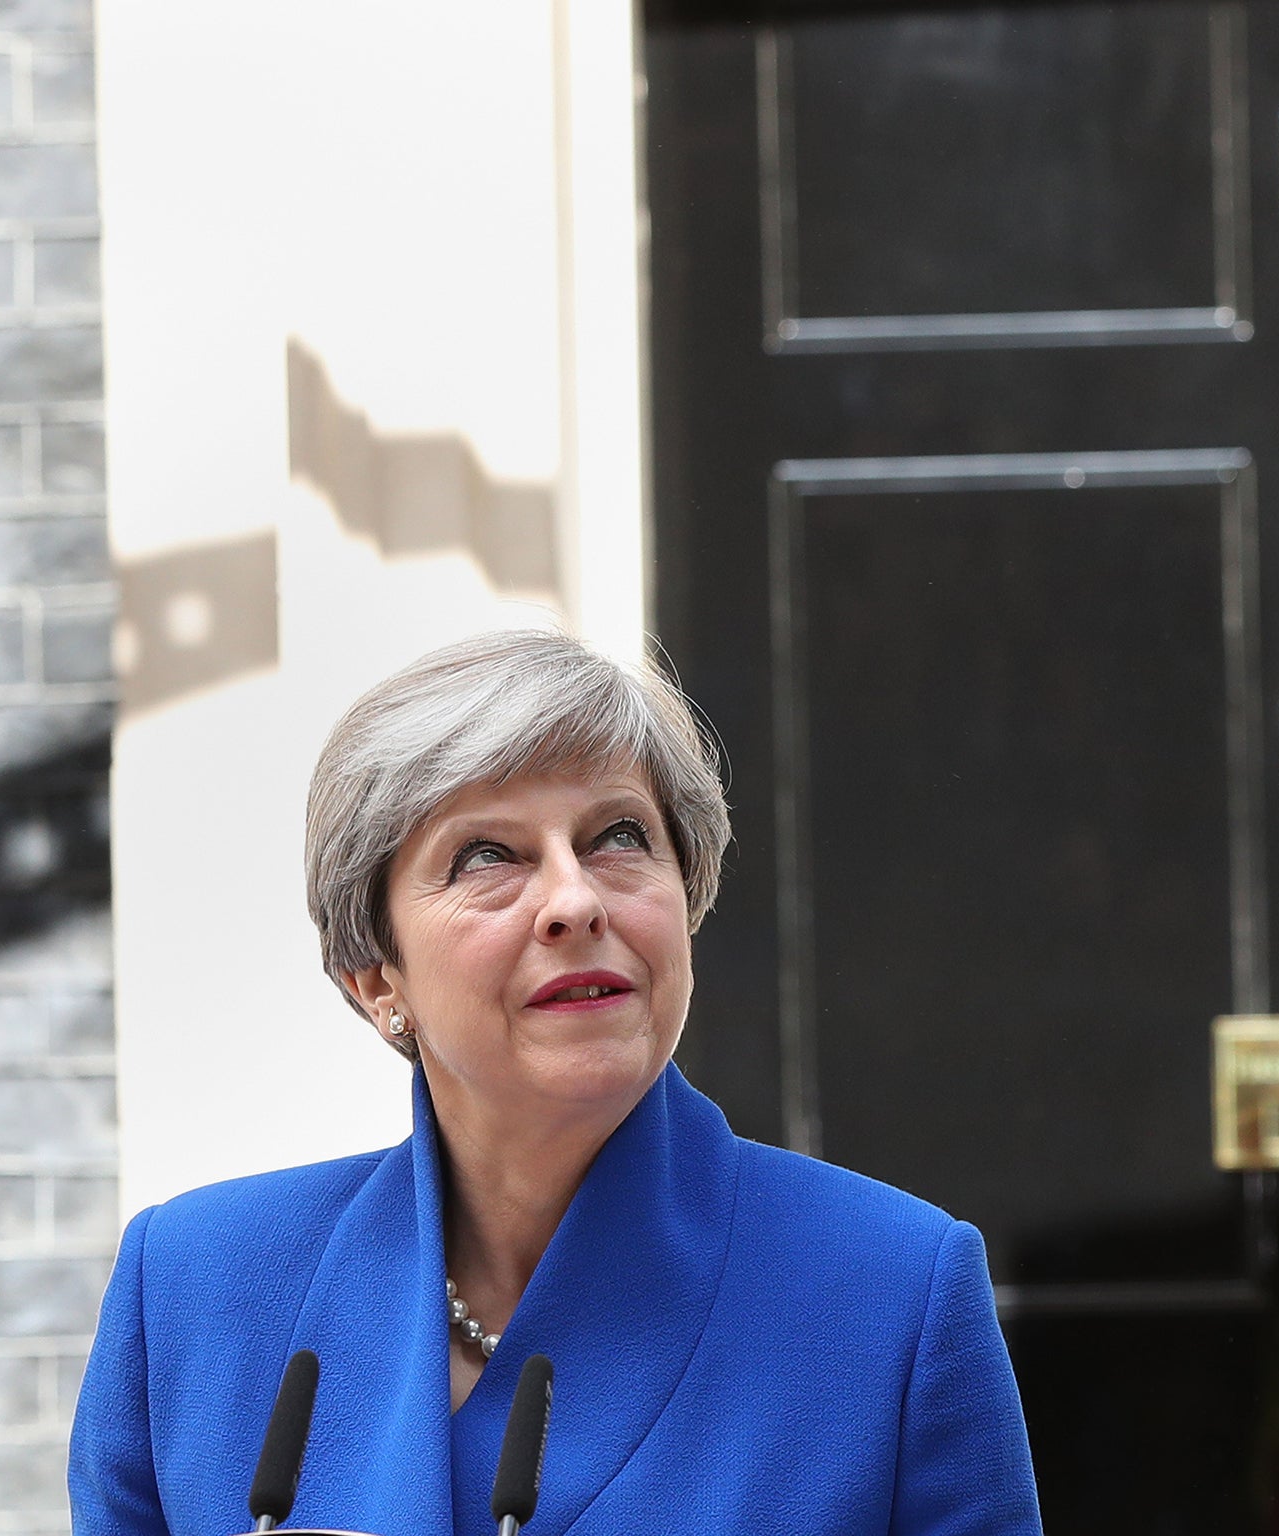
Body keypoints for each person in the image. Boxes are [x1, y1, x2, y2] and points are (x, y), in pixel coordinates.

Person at [68, 629, 1042, 1535]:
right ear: (377, 981)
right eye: (487, 856)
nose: (574, 900)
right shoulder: (193, 1289)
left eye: (618, 837)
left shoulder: (893, 1293)